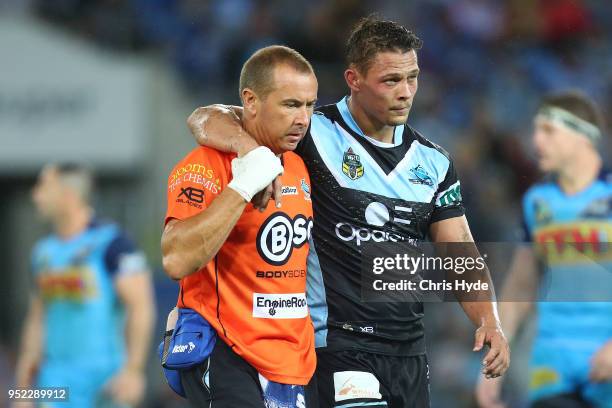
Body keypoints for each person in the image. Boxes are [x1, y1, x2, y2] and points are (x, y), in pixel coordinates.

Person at [186, 16, 510, 408]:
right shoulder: (311, 132)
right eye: (391, 80)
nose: (406, 92)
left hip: (409, 353)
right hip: (338, 345)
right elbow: (204, 118)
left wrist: (488, 319)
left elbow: (459, 249)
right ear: (354, 79)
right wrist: (249, 149)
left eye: (413, 78)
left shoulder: (435, 163)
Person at [161, 45, 319, 408]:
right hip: (227, 349)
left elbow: (206, 115)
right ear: (250, 100)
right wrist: (245, 182)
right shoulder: (204, 165)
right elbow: (175, 259)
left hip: (292, 361)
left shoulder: (298, 163)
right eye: (291, 104)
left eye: (309, 105)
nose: (303, 118)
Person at [476, 91, 612, 408]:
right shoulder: (536, 202)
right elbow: (520, 287)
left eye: (549, 131)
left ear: (584, 135)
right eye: (536, 130)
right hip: (554, 362)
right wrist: (492, 362)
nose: (536, 140)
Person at [15, 163, 155, 408]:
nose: (35, 195)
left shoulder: (113, 244)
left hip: (106, 384)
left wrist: (133, 370)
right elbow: (36, 319)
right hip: (55, 384)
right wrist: (22, 392)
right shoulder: (42, 253)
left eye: (43, 187)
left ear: (68, 195)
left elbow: (141, 307)